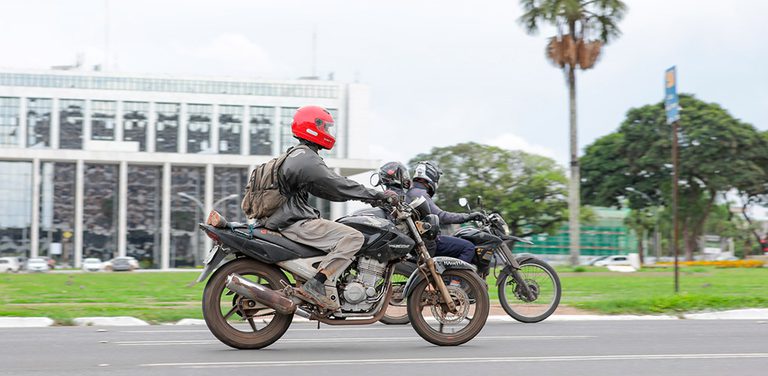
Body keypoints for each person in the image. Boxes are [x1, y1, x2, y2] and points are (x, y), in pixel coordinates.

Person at [263, 105, 398, 310]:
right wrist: (377, 195)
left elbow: (327, 191)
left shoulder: (298, 156)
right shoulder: (306, 158)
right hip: (294, 222)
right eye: (325, 127)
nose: (328, 132)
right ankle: (317, 284)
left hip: (287, 219)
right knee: (353, 237)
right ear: (312, 128)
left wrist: (363, 197)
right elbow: (337, 184)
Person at [406, 160, 484, 265]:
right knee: (468, 247)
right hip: (429, 242)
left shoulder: (411, 192)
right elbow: (441, 216)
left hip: (421, 241)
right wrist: (469, 216)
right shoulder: (420, 194)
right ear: (432, 176)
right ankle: (457, 279)